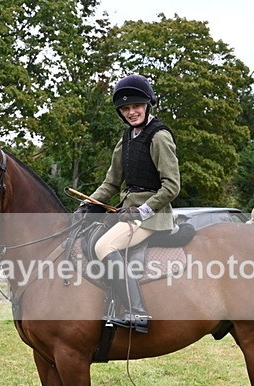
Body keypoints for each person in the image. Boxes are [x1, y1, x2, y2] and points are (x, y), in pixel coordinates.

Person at [75, 74, 181, 333]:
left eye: (136, 106)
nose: (131, 112)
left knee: (105, 246)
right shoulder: (126, 139)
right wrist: (89, 203)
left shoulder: (159, 137)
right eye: (125, 108)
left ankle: (138, 312)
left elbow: (172, 186)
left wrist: (142, 210)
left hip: (153, 216)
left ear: (147, 105)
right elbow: (111, 183)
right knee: (88, 238)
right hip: (127, 213)